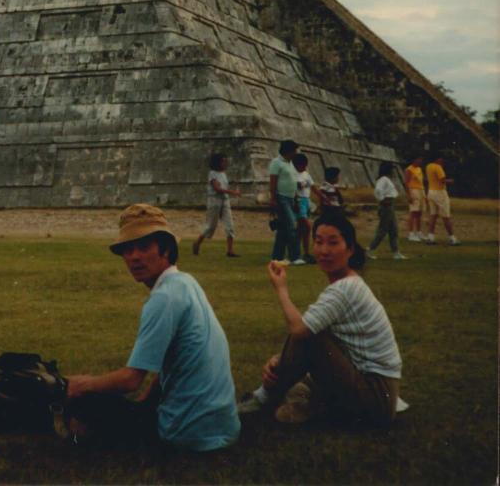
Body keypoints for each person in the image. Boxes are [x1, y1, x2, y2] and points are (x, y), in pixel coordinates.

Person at [65, 204, 240, 451]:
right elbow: (171, 358)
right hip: (224, 427)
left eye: (144, 247)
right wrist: (146, 402)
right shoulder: (186, 283)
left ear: (166, 250)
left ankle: (78, 444)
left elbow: (130, 380)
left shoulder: (164, 298)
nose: (134, 256)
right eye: (128, 249)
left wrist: (81, 385)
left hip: (184, 433)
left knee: (83, 400)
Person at [237, 210, 403, 427]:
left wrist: (281, 289)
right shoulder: (349, 283)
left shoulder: (345, 289)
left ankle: (264, 397)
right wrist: (280, 360)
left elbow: (299, 331)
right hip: (378, 392)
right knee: (312, 336)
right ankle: (289, 397)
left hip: (378, 397)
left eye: (333, 243)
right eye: (319, 242)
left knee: (310, 335)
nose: (324, 250)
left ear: (350, 249)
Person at [192, 153, 242, 257]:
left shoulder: (223, 174)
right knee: (210, 226)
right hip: (214, 201)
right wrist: (233, 192)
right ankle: (197, 243)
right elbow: (217, 189)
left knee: (230, 225)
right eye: (223, 161)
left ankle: (230, 250)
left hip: (225, 200)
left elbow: (222, 188)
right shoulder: (212, 174)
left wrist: (231, 193)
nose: (225, 163)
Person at [269, 140, 305, 265]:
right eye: (294, 150)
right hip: (281, 197)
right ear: (288, 151)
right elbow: (273, 181)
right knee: (291, 226)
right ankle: (295, 256)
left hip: (290, 198)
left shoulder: (290, 164)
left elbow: (292, 182)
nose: (296, 153)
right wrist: (273, 198)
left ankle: (277, 257)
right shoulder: (276, 163)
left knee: (283, 229)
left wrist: (296, 199)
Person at [366, 162, 406, 260]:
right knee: (383, 230)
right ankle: (369, 249)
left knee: (393, 230)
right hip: (386, 206)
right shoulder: (383, 179)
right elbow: (378, 190)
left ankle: (396, 252)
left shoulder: (386, 179)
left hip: (390, 206)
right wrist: (382, 199)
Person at [424, 156, 460, 245]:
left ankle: (430, 237)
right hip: (440, 192)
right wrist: (451, 181)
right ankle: (452, 238)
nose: (443, 161)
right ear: (438, 159)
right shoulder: (438, 167)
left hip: (430, 191)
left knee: (433, 215)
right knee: (446, 216)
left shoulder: (428, 166)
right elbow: (442, 180)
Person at [293, 152, 315, 263]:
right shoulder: (293, 174)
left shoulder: (306, 174)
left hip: (306, 201)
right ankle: (301, 253)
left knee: (302, 230)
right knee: (306, 226)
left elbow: (313, 187)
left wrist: (323, 198)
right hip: (299, 201)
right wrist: (296, 201)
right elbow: (293, 190)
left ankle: (304, 252)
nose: (304, 167)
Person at [403, 156, 426, 242]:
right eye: (419, 159)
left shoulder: (419, 169)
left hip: (421, 190)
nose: (420, 161)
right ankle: (411, 233)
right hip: (413, 190)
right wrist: (408, 195)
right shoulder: (409, 169)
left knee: (419, 213)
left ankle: (418, 232)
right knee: (413, 213)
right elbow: (406, 182)